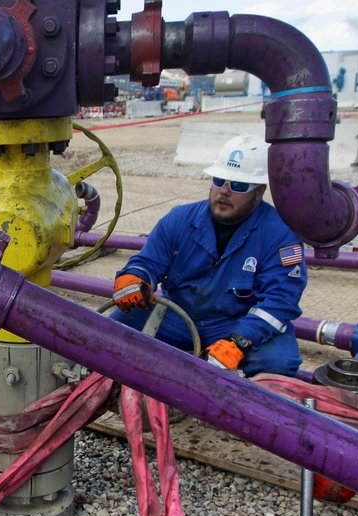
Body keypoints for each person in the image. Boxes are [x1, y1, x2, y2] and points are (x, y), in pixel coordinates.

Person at [110, 133, 307, 376]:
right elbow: (148, 262)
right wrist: (134, 276)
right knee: (110, 331)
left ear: (259, 192)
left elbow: (280, 301)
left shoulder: (279, 235)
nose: (224, 191)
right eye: (219, 180)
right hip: (178, 319)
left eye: (238, 185)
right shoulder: (180, 219)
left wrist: (239, 342)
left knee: (278, 362)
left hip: (236, 323)